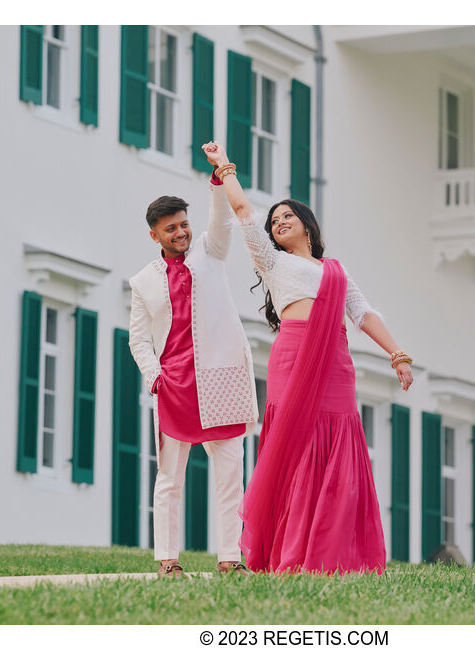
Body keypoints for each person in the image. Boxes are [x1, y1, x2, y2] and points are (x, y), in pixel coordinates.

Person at [201, 141, 414, 575]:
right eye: (275, 219)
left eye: (287, 217)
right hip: (293, 355)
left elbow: (363, 312)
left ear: (306, 226)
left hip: (336, 363)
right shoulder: (271, 263)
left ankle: (330, 550)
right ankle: (291, 550)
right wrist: (225, 168)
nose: (279, 222)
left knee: (336, 440)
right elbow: (244, 213)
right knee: (295, 442)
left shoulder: (334, 270)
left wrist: (397, 354)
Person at [128, 176, 259, 578]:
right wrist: (155, 378)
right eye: (171, 228)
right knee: (169, 479)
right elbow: (138, 339)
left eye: (183, 223)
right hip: (175, 386)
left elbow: (221, 221)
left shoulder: (210, 250)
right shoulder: (143, 281)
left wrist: (219, 183)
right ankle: (168, 560)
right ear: (155, 235)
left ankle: (229, 558)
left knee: (230, 474)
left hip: (221, 378)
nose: (181, 232)